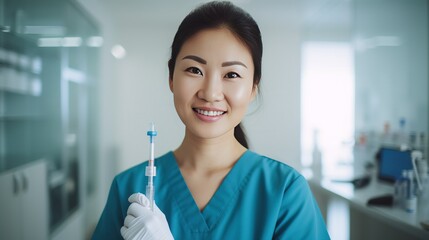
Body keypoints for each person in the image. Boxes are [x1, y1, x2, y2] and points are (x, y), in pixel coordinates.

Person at [92, 1, 330, 239]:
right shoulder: (129, 189)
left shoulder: (285, 191)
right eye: (195, 70)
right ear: (171, 78)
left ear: (252, 89)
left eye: (232, 74)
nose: (210, 92)